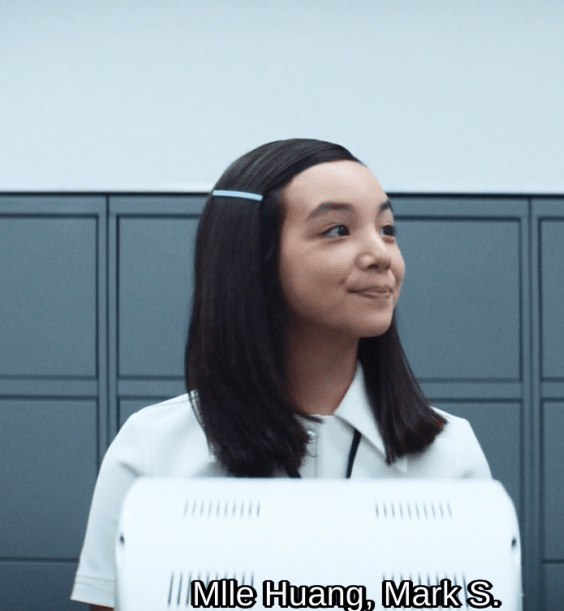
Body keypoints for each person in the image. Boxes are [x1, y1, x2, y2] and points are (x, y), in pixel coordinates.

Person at [71, 138, 492, 610]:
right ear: (254, 256)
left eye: (387, 229)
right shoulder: (152, 448)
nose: (381, 255)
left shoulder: (451, 452)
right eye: (337, 230)